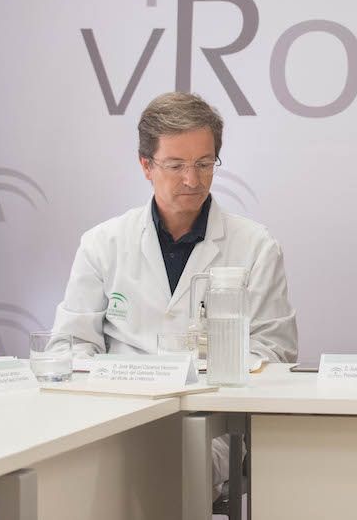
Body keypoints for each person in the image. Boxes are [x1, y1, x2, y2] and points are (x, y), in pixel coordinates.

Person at [52, 92, 298, 498]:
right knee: (73, 471)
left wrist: (207, 372)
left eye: (204, 164)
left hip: (211, 422)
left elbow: (275, 350)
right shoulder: (103, 243)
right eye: (176, 165)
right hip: (116, 416)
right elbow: (70, 344)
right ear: (145, 165)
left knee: (170, 465)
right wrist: (123, 385)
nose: (192, 180)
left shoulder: (255, 246)